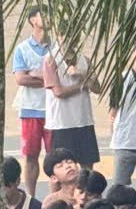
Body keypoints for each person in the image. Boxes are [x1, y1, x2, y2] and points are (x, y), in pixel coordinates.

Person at [11, 6, 52, 196]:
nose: (50, 18)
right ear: (33, 20)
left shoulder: (56, 47)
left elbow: (61, 76)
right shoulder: (22, 49)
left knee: (54, 157)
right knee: (30, 156)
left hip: (53, 109)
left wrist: (36, 74)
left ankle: (53, 197)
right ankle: (30, 196)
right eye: (44, 14)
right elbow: (21, 79)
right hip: (30, 109)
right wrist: (49, 80)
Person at [42, 37, 100, 168]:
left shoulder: (84, 59)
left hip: (84, 121)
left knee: (87, 167)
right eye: (65, 34)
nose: (70, 38)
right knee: (60, 166)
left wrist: (82, 73)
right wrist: (82, 86)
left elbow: (97, 88)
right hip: (62, 123)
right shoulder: (51, 59)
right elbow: (58, 92)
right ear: (59, 36)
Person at [109, 46, 136, 208]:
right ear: (132, 53)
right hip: (125, 141)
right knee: (119, 190)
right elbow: (113, 111)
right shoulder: (121, 79)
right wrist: (114, 133)